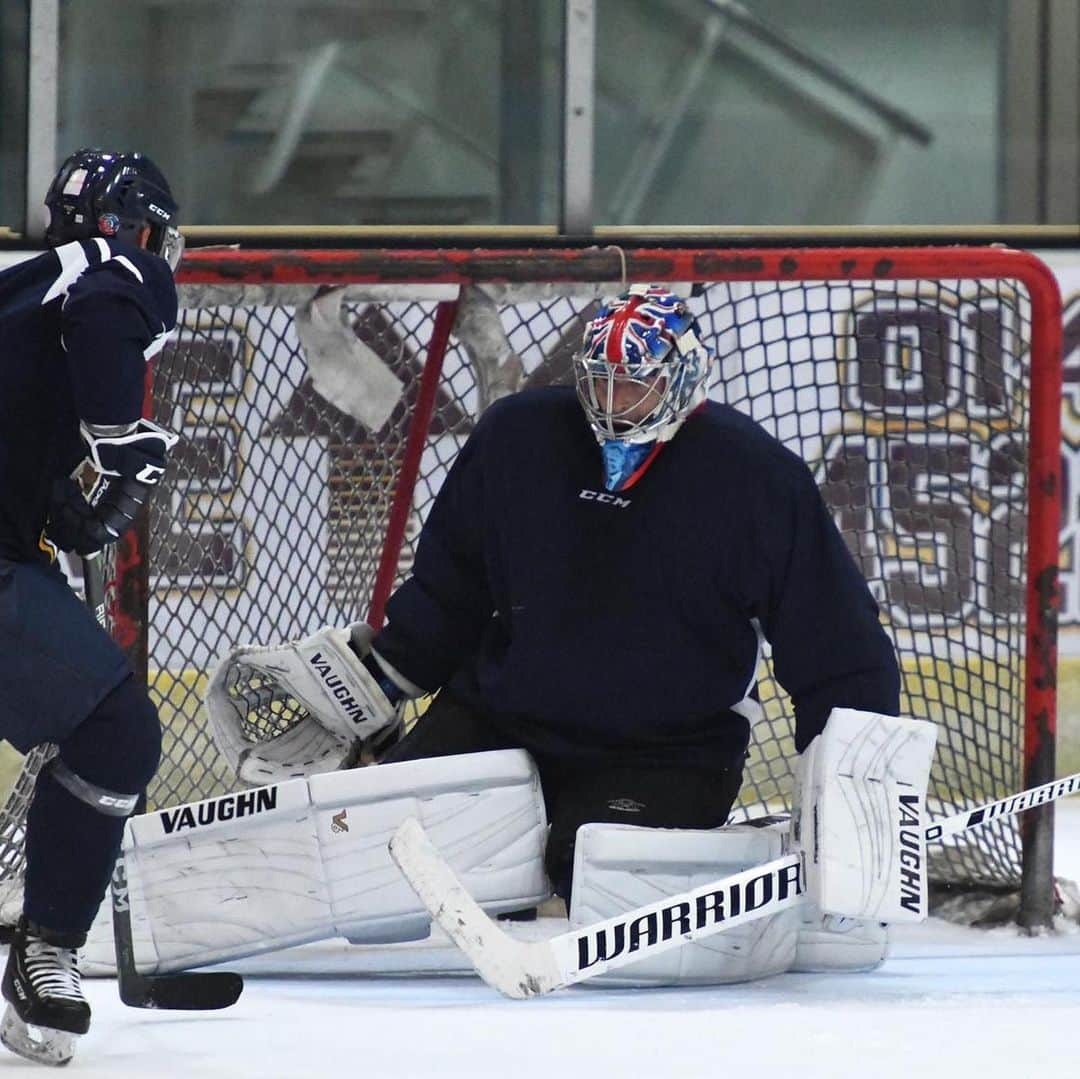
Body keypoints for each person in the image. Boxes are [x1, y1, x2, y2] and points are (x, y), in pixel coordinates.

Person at [0, 148, 182, 1066]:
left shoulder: (19, 287)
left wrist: (60, 508)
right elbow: (112, 307)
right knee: (116, 733)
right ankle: (45, 950)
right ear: (138, 227)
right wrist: (119, 436)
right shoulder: (113, 268)